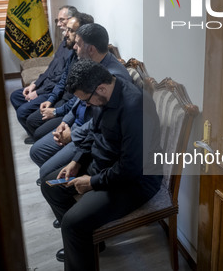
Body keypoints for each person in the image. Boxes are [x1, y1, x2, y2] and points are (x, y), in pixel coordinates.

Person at [41, 60, 162, 269]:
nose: (86, 105)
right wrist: (76, 162)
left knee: (72, 224)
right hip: (105, 166)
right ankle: (88, 243)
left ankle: (80, 239)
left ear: (101, 88)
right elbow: (93, 133)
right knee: (49, 186)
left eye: (86, 100)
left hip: (135, 181)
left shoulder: (135, 107)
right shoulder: (101, 98)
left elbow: (131, 167)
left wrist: (93, 182)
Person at [30, 23, 132, 181]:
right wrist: (65, 121)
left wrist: (73, 135)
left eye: (78, 44)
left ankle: (57, 186)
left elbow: (104, 122)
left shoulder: (114, 77)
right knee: (36, 151)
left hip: (87, 135)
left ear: (91, 49)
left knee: (45, 173)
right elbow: (79, 100)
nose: (74, 47)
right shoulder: (90, 66)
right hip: (75, 125)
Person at [9, 5, 78, 142]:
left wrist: (39, 93)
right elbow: (51, 68)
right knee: (15, 96)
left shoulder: (74, 48)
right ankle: (34, 133)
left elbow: (61, 80)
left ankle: (37, 136)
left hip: (51, 90)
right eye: (57, 21)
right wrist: (35, 84)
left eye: (61, 20)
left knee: (24, 112)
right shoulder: (65, 42)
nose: (58, 25)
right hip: (45, 86)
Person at [24, 13, 94, 140]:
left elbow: (79, 99)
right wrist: (50, 100)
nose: (65, 34)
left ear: (82, 34)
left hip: (70, 107)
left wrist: (56, 112)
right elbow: (62, 80)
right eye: (67, 29)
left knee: (38, 132)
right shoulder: (73, 53)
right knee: (31, 120)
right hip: (62, 100)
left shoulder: (89, 61)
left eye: (71, 30)